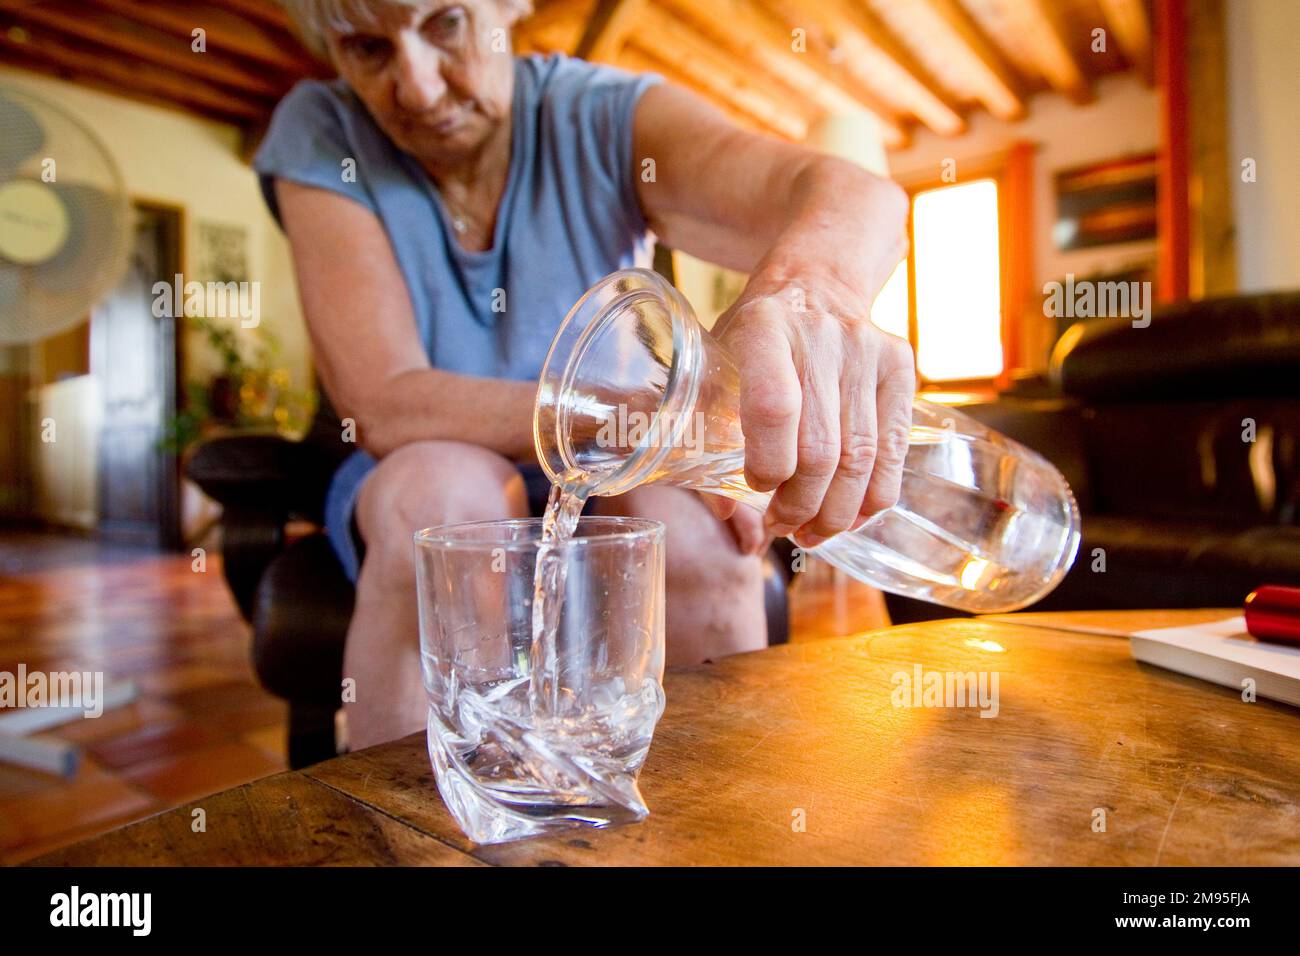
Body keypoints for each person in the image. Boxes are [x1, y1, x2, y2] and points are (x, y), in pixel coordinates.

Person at [261, 0, 914, 748]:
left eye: (445, 23)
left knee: (691, 534)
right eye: (367, 48)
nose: (417, 90)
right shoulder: (319, 130)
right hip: (436, 456)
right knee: (439, 504)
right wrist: (635, 418)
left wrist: (812, 292)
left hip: (622, 455)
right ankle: (409, 833)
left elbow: (862, 199)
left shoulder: (604, 116)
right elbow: (382, 399)